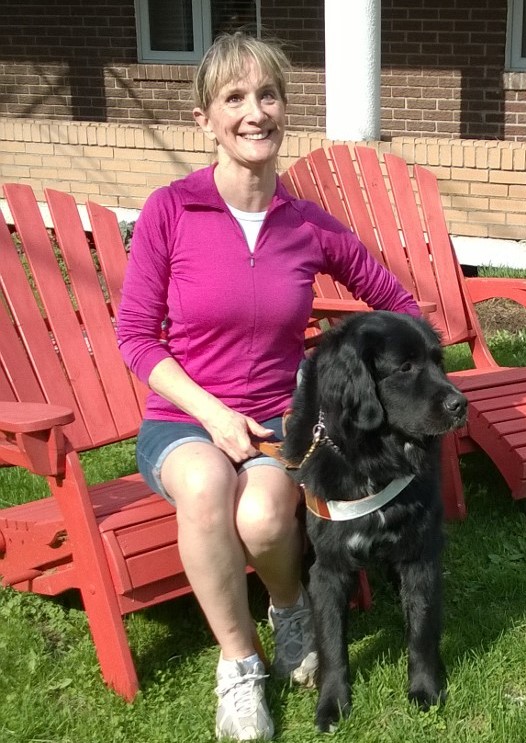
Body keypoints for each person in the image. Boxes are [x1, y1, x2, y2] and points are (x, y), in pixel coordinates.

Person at [117, 33, 420, 741]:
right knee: (203, 488)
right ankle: (239, 667)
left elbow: (396, 306)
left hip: (279, 422)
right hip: (183, 416)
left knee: (259, 518)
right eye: (234, 98)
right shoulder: (171, 209)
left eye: (268, 95)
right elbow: (134, 334)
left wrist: (348, 380)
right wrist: (212, 414)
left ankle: (287, 607)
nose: (255, 113)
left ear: (284, 108)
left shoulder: (306, 223)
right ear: (205, 119)